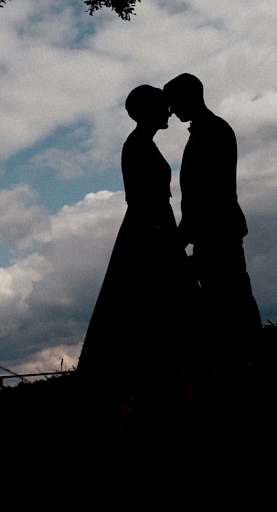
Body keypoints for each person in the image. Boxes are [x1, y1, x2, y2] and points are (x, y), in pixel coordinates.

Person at [77, 84, 199, 391]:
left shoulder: (140, 143)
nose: (169, 111)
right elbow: (146, 199)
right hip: (150, 228)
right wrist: (169, 235)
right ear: (149, 111)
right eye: (162, 106)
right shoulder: (138, 145)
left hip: (149, 226)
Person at [164, 73, 261, 368]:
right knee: (226, 297)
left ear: (188, 98)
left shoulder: (213, 131)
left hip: (217, 231)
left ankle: (246, 356)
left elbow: (210, 191)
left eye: (174, 102)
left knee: (231, 297)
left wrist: (184, 233)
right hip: (212, 231)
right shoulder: (209, 130)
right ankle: (241, 354)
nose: (171, 110)